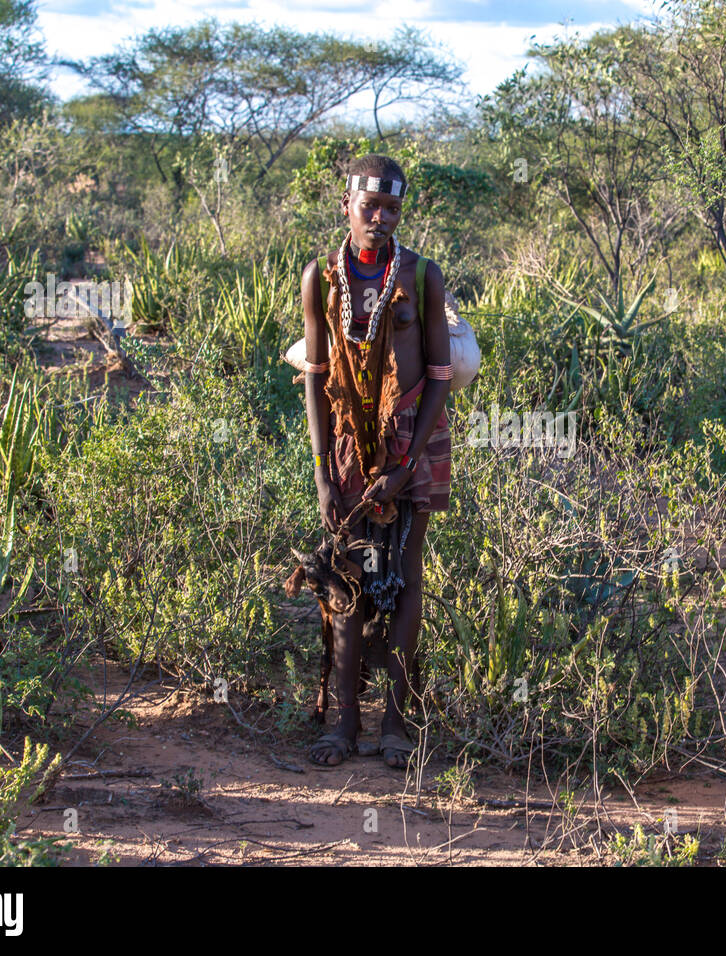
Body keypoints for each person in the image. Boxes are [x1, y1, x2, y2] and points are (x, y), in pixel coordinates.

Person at [298, 154, 453, 769]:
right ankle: (341, 724)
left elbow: (440, 375)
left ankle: (397, 723)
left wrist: (407, 463)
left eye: (392, 208)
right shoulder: (322, 277)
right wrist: (321, 472)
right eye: (371, 207)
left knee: (408, 579)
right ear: (346, 207)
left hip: (413, 436)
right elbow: (314, 376)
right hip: (343, 443)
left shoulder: (421, 275)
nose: (382, 218)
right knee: (346, 579)